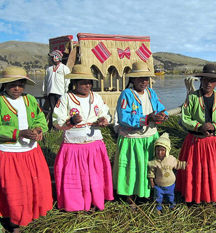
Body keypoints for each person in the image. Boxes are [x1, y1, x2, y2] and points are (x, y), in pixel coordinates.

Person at [0, 66, 53, 233]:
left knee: (31, 185)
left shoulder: (29, 99)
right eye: (12, 84)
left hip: (30, 152)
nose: (17, 88)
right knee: (12, 188)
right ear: (5, 84)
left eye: (20, 84)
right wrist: (19, 133)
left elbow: (40, 118)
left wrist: (38, 129)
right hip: (7, 153)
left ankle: (30, 216)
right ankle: (13, 222)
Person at [52, 64, 114, 211]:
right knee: (75, 178)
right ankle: (76, 205)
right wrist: (70, 122)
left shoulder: (96, 97)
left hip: (94, 144)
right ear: (74, 83)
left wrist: (104, 120)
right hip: (73, 145)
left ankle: (95, 200)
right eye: (83, 82)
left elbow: (106, 113)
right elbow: (56, 120)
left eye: (89, 82)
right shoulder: (66, 98)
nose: (87, 85)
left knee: (95, 175)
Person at [175, 63, 216, 204]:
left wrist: (214, 126)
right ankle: (196, 194)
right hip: (197, 141)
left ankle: (214, 193)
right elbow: (185, 117)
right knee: (197, 170)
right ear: (201, 81)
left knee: (215, 170)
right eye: (205, 80)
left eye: (211, 80)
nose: (208, 83)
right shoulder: (192, 98)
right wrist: (199, 126)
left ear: (215, 83)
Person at [113, 62, 168, 209]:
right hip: (133, 139)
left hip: (150, 137)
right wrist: (146, 119)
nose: (143, 81)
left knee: (148, 167)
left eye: (146, 78)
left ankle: (146, 193)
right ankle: (130, 197)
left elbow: (161, 108)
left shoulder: (151, 93)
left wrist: (163, 115)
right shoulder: (127, 95)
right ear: (132, 80)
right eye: (140, 78)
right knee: (133, 168)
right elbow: (123, 118)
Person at [148, 133, 186, 214]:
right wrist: (151, 181)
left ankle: (171, 205)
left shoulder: (171, 159)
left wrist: (186, 165)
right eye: (157, 150)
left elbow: (177, 164)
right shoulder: (154, 162)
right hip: (159, 185)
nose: (159, 152)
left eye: (162, 150)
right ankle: (158, 207)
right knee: (158, 197)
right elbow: (151, 172)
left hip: (170, 184)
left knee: (171, 195)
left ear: (167, 150)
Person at [42, 50, 71, 129]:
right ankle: (53, 127)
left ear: (58, 57)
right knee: (53, 110)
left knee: (60, 110)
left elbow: (67, 81)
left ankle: (61, 126)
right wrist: (45, 92)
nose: (51, 58)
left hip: (61, 93)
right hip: (51, 92)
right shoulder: (49, 69)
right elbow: (45, 81)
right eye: (51, 57)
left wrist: (65, 92)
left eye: (53, 56)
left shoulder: (64, 68)